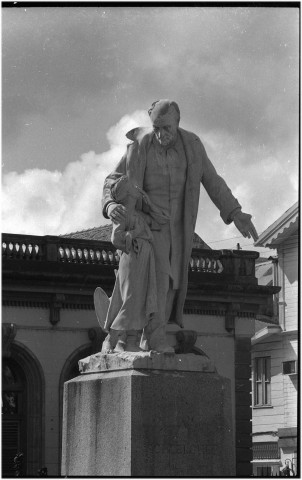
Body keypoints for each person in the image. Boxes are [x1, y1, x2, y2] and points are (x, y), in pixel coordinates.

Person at [102, 99, 258, 353]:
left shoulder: (192, 146)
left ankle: (152, 336)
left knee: (171, 284)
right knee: (149, 281)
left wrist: (235, 211)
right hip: (145, 227)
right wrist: (110, 205)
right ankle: (139, 337)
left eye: (166, 128)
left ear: (178, 122)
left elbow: (212, 180)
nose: (161, 134)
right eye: (156, 128)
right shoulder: (140, 146)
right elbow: (113, 181)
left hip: (179, 229)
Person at [101, 174, 168, 353]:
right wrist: (134, 234)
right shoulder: (121, 213)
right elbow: (117, 239)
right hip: (132, 255)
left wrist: (149, 203)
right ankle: (111, 338)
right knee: (130, 298)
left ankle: (131, 341)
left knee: (141, 299)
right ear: (128, 192)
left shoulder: (139, 215)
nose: (138, 190)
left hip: (145, 256)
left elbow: (162, 220)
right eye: (134, 188)